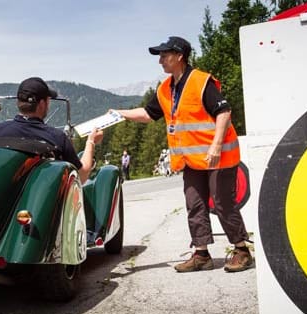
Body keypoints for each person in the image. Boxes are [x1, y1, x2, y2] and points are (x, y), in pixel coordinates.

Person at [108, 36, 252, 273]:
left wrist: (216, 146)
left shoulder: (201, 81)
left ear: (179, 56)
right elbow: (147, 113)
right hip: (192, 160)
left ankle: (242, 250)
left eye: (164, 55)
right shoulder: (166, 89)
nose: (160, 61)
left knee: (223, 202)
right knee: (194, 204)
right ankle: (202, 254)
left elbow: (224, 112)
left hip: (219, 156)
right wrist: (119, 114)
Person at [0, 77, 103, 183]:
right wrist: (91, 142)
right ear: (42, 104)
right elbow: (80, 177)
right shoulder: (58, 138)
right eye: (48, 100)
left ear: (18, 102)